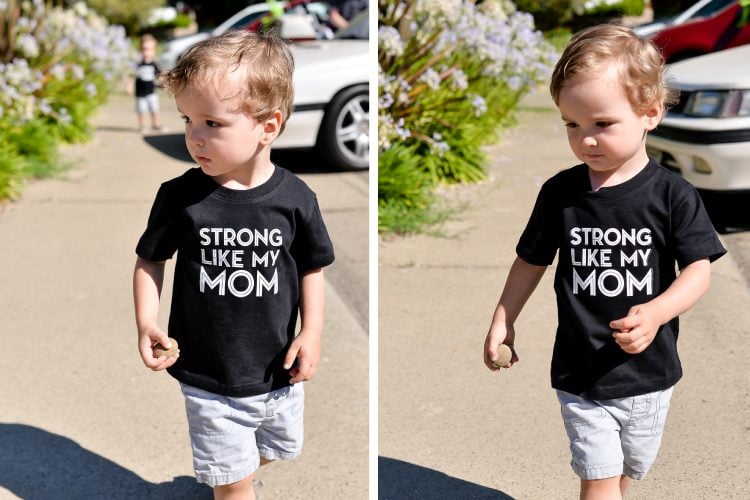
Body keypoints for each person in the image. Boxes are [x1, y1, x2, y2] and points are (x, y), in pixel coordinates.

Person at [482, 24, 726, 500]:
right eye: (572, 125)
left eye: (602, 124)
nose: (585, 140)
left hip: (648, 373)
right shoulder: (561, 194)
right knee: (597, 477)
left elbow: (699, 270)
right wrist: (502, 318)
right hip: (581, 371)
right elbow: (530, 261)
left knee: (628, 468)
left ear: (649, 114)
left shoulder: (672, 195)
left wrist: (657, 312)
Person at [133, 30, 335, 499]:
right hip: (210, 375)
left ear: (268, 126)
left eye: (212, 124)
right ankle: (234, 481)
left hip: (276, 372)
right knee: (233, 486)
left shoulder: (295, 200)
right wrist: (147, 321)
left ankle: (239, 471)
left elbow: (311, 268)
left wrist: (312, 332)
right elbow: (151, 259)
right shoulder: (182, 197)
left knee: (278, 449)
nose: (193, 137)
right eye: (188, 120)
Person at [131, 34, 163, 133]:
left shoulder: (154, 64)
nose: (147, 52)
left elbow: (159, 75)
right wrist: (128, 85)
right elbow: (131, 74)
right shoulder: (137, 63)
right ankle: (142, 126)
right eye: (144, 49)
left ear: (154, 50)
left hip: (151, 92)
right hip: (140, 93)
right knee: (141, 111)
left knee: (154, 109)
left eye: (149, 49)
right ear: (140, 49)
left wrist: (164, 83)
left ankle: (155, 124)